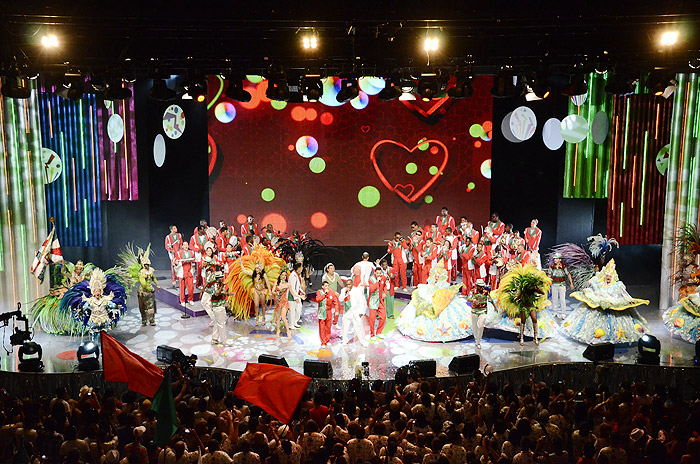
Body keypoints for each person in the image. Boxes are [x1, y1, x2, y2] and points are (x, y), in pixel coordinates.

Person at [562, 259, 650, 344]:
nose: (608, 277)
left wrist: (629, 299)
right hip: (600, 304)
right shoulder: (599, 284)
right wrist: (587, 291)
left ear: (612, 277)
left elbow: (624, 294)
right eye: (607, 276)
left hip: (613, 304)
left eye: (610, 276)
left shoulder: (617, 286)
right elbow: (594, 291)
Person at [490, 263, 552, 346]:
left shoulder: (534, 289)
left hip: (531, 306)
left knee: (534, 319)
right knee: (523, 321)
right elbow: (518, 298)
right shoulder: (522, 290)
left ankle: (535, 337)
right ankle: (521, 337)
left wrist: (537, 289)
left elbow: (542, 292)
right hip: (524, 307)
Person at [201, 254, 229, 345]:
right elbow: (217, 293)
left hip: (219, 305)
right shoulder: (217, 285)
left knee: (218, 323)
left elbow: (222, 294)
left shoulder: (217, 282)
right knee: (222, 324)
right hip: (217, 307)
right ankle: (224, 341)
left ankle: (214, 339)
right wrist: (222, 285)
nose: (223, 278)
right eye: (222, 277)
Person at [342, 264, 369, 347]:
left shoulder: (357, 290)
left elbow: (361, 301)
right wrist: (345, 293)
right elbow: (340, 299)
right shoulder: (344, 290)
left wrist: (361, 312)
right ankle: (344, 340)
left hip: (356, 312)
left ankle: (363, 341)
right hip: (347, 312)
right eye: (347, 284)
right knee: (345, 327)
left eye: (350, 284)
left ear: (352, 284)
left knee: (359, 327)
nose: (348, 286)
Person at [243, 260, 272, 327]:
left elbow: (267, 283)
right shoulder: (254, 274)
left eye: (258, 268)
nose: (256, 270)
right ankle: (257, 318)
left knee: (263, 304)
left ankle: (263, 318)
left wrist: (270, 292)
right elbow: (245, 272)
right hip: (256, 291)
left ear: (261, 269)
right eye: (256, 268)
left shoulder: (264, 275)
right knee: (256, 305)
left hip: (262, 291)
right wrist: (241, 264)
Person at [547, 253, 574, 319]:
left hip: (562, 285)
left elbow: (568, 274)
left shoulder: (563, 267)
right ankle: (555, 312)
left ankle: (563, 314)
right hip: (554, 285)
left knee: (562, 300)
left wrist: (571, 283)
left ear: (560, 259)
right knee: (554, 299)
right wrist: (547, 283)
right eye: (554, 258)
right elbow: (549, 275)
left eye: (556, 258)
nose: (555, 260)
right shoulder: (551, 267)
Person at [137, 253, 160, 326]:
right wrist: (150, 288)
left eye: (148, 264)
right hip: (143, 292)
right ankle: (144, 320)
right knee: (142, 307)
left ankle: (151, 320)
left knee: (151, 306)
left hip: (150, 292)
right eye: (145, 265)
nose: (147, 266)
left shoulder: (151, 270)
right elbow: (143, 284)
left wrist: (157, 285)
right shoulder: (141, 272)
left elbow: (154, 278)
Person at [467, 279, 490, 349]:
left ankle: (478, 342)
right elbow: (468, 299)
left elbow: (490, 299)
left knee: (481, 326)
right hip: (474, 311)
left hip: (483, 311)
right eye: (481, 286)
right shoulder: (473, 291)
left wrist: (495, 307)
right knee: (474, 326)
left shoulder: (486, 292)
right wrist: (473, 301)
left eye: (483, 286)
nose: (482, 288)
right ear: (477, 286)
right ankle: (476, 339)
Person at [315, 281, 337, 347]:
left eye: (328, 285)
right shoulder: (319, 292)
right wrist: (324, 295)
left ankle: (327, 340)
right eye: (325, 286)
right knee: (322, 328)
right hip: (322, 312)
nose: (327, 287)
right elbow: (318, 299)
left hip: (329, 312)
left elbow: (335, 301)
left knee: (328, 327)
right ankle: (323, 342)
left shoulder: (331, 293)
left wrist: (336, 310)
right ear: (323, 286)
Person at [367, 266, 387, 340]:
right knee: (372, 319)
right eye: (377, 273)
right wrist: (377, 282)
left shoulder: (383, 277)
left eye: (380, 273)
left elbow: (384, 285)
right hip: (373, 301)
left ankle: (379, 332)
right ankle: (372, 334)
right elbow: (372, 289)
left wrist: (385, 292)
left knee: (383, 317)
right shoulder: (371, 279)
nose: (379, 274)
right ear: (375, 272)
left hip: (380, 300)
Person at [175, 241, 196, 307]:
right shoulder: (179, 253)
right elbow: (175, 261)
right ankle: (182, 300)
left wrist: (194, 261)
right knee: (182, 287)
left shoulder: (191, 252)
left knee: (191, 287)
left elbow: (193, 261)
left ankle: (190, 299)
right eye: (184, 245)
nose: (186, 246)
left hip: (189, 272)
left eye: (187, 245)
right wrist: (176, 262)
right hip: (182, 272)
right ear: (182, 246)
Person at [272, 271, 291, 339]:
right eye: (282, 275)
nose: (283, 276)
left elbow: (293, 293)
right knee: (277, 317)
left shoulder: (287, 284)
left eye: (285, 275)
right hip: (277, 301)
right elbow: (272, 291)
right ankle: (278, 331)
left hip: (284, 301)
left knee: (283, 318)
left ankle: (288, 331)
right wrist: (275, 293)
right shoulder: (276, 283)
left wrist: (299, 296)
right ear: (280, 275)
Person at [288, 262, 305, 329]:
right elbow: (292, 287)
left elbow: (297, 286)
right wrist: (296, 297)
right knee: (292, 311)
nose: (302, 268)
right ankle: (291, 324)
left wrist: (302, 291)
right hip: (292, 296)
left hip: (297, 295)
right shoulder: (293, 276)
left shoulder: (297, 275)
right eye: (301, 267)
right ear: (298, 268)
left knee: (298, 309)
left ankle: (295, 322)